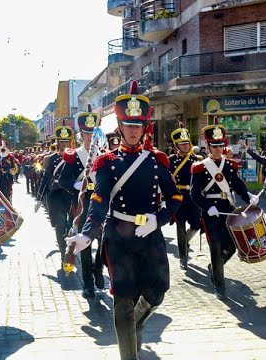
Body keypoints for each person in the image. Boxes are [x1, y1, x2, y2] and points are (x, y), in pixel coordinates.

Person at [65, 80, 182, 360]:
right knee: (122, 302)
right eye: (128, 125)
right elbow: (98, 201)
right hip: (119, 237)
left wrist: (159, 219)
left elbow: (175, 198)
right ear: (120, 128)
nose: (132, 130)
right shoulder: (105, 162)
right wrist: (87, 234)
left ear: (144, 128)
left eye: (137, 125)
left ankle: (138, 321)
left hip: (150, 236)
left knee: (158, 292)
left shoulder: (158, 160)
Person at [191, 117, 259, 300]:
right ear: (208, 146)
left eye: (220, 145)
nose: (218, 149)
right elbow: (194, 194)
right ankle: (219, 285)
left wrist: (248, 196)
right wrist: (207, 207)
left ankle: (215, 267)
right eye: (214, 146)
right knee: (216, 246)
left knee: (231, 247)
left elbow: (238, 185)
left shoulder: (229, 165)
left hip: (228, 209)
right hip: (211, 212)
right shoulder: (199, 168)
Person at [59, 106, 104, 298]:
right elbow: (63, 179)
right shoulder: (74, 155)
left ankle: (98, 269)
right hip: (83, 203)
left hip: (102, 202)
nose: (89, 137)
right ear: (81, 135)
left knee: (103, 240)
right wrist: (76, 185)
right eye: (86, 134)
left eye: (93, 133)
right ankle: (87, 282)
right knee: (85, 243)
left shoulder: (104, 154)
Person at [36, 121, 74, 267]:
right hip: (55, 195)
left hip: (71, 194)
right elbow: (46, 178)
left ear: (70, 142)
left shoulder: (75, 157)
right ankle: (64, 254)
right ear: (57, 142)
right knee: (59, 225)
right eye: (61, 141)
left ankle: (70, 249)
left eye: (66, 141)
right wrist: (39, 198)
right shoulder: (50, 159)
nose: (64, 144)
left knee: (70, 225)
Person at [168, 123, 202, 270]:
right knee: (180, 227)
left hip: (194, 198)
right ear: (177, 145)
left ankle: (185, 241)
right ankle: (183, 256)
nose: (186, 146)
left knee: (196, 225)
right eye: (182, 144)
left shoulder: (196, 159)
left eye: (187, 143)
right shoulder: (170, 160)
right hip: (179, 197)